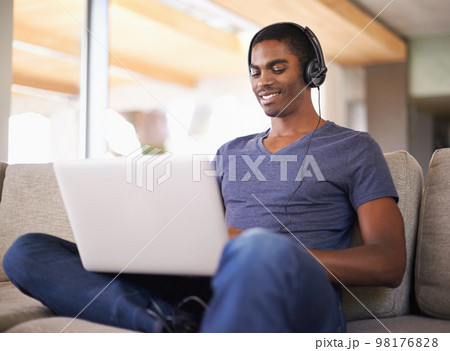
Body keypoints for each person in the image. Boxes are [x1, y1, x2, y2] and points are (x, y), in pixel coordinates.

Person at [2, 22, 405, 333]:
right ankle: (167, 325)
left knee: (257, 250)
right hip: (210, 286)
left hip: (298, 293)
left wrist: (260, 249)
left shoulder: (353, 148)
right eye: (254, 71)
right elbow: (202, 233)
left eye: (276, 68)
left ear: (313, 72)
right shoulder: (230, 151)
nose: (262, 81)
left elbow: (388, 263)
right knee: (27, 251)